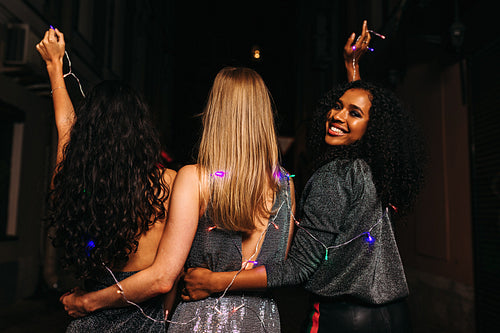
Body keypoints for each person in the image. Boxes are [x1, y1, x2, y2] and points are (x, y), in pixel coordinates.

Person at [180, 33, 426, 333]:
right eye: (336, 106)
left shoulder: (333, 176)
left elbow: (298, 268)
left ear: (372, 128)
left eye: (353, 113)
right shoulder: (375, 169)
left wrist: (213, 281)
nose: (336, 115)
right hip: (394, 317)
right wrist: (351, 67)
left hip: (342, 320)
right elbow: (368, 117)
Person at [60, 66, 297, 332]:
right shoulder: (284, 184)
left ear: (215, 114)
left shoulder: (195, 178)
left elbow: (163, 276)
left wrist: (87, 302)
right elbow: (277, 271)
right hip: (261, 323)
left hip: (198, 322)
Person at [37, 27, 176, 332]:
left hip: (89, 316)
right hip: (145, 317)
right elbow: (169, 274)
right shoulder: (169, 183)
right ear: (141, 130)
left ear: (88, 131)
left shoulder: (75, 177)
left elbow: (64, 127)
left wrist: (55, 67)